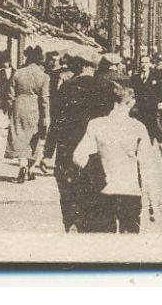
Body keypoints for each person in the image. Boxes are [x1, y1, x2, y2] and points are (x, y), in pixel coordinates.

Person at [72, 85, 162, 233]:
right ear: (131, 103)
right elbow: (146, 167)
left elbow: (78, 156)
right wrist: (152, 203)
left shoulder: (96, 124)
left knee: (105, 243)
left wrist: (95, 172)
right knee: (129, 245)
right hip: (130, 191)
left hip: (103, 191)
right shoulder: (138, 127)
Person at [47, 56, 121, 231]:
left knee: (69, 192)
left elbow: (56, 121)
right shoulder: (104, 90)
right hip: (95, 153)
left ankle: (71, 223)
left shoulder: (65, 88)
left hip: (68, 151)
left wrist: (47, 152)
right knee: (95, 194)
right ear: (93, 68)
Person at [9, 47, 52, 182]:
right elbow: (45, 98)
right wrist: (46, 116)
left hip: (19, 105)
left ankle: (22, 165)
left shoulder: (17, 73)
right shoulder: (44, 76)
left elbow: (10, 94)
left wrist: (11, 109)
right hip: (35, 107)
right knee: (35, 138)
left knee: (19, 136)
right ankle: (31, 169)